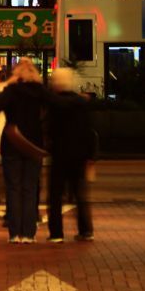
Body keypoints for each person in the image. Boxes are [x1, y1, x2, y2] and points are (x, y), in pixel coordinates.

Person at [0, 59, 48, 243]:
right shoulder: (40, 91)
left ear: (16, 74)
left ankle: (15, 234)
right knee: (30, 188)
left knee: (13, 188)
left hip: (12, 142)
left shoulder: (11, 91)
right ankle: (29, 234)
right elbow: (55, 105)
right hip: (34, 144)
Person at [45, 68, 94, 242]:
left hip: (59, 153)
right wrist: (90, 155)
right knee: (80, 194)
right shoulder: (81, 103)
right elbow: (89, 130)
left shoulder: (54, 103)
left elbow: (50, 128)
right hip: (79, 154)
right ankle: (86, 230)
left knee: (55, 195)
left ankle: (56, 233)